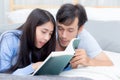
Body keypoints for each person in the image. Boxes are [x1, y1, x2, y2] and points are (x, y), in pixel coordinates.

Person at [55, 3, 113, 69]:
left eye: (70, 30)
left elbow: (108, 63)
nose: (63, 36)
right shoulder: (49, 30)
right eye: (60, 28)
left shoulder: (85, 38)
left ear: (80, 28)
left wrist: (89, 61)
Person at [0, 8, 56, 75]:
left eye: (50, 33)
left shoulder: (44, 44)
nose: (47, 38)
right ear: (32, 27)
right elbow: (3, 75)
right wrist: (33, 67)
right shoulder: (10, 39)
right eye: (43, 32)